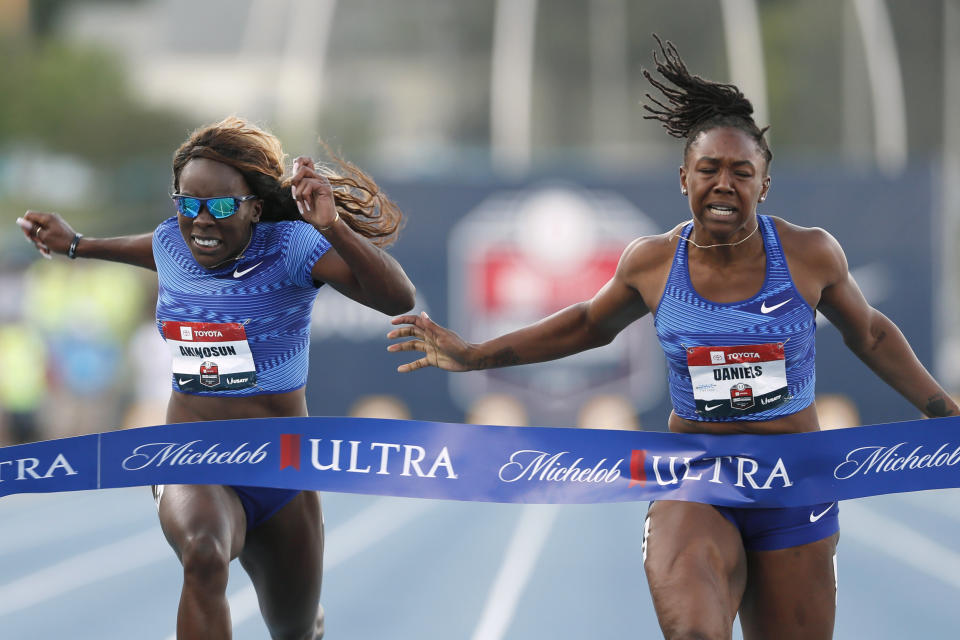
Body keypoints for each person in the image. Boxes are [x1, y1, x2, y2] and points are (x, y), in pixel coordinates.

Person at [387, 37, 958, 640]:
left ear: (764, 186)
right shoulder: (653, 263)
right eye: (709, 169)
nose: (724, 184)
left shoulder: (809, 253)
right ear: (683, 176)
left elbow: (869, 334)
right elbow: (586, 324)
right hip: (697, 477)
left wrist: (944, 413)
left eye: (742, 172)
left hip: (793, 482)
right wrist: (475, 355)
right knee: (692, 629)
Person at [17, 116, 415, 640]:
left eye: (221, 206)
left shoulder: (293, 247)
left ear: (253, 206)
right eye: (188, 204)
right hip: (192, 453)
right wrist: (77, 244)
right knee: (203, 556)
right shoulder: (172, 244)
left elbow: (398, 300)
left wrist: (332, 227)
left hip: (280, 467)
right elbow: (149, 247)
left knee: (294, 630)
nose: (202, 221)